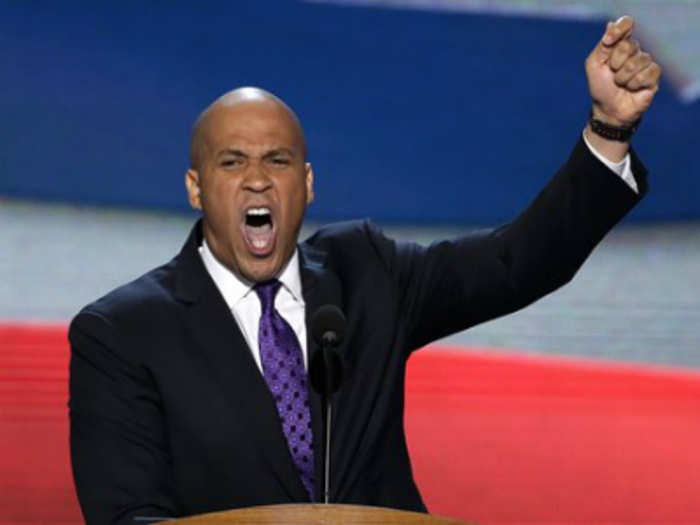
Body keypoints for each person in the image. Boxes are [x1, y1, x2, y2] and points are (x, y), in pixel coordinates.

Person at [69, 16, 661, 524]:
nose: (257, 179)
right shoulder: (123, 333)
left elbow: (517, 262)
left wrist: (609, 130)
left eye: (278, 161)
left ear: (306, 185)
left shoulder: (366, 274)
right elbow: (129, 515)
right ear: (196, 188)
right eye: (232, 163)